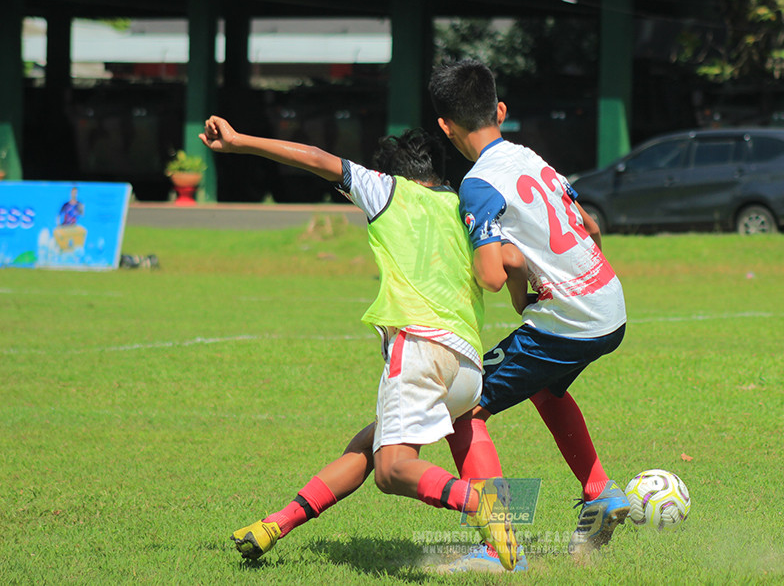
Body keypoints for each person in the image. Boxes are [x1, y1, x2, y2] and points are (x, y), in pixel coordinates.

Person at [199, 116, 521, 572]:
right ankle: (276, 524)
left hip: (420, 350)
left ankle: (483, 506)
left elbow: (316, 159)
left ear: (394, 173)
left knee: (391, 470)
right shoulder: (462, 207)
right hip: (467, 367)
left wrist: (240, 142)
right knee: (369, 447)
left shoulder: (388, 189)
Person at [428, 59, 630, 557]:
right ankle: (599, 491)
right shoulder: (533, 158)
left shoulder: (477, 185)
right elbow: (592, 227)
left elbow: (492, 277)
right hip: (611, 303)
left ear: (444, 126)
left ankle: (501, 547)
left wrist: (510, 264)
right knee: (545, 389)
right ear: (500, 110)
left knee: (461, 410)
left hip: (568, 323)